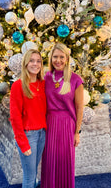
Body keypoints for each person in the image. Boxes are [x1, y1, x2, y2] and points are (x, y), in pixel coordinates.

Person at [41, 43, 84, 188]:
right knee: (49, 160)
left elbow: (79, 108)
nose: (58, 60)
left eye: (61, 57)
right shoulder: (45, 77)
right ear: (50, 58)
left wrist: (77, 132)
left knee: (65, 161)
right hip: (49, 124)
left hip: (67, 125)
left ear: (67, 59)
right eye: (55, 57)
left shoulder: (75, 79)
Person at [10, 49, 47, 188]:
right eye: (31, 60)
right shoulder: (18, 85)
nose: (35, 64)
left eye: (38, 61)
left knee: (34, 171)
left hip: (42, 133)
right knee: (30, 177)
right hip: (28, 135)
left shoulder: (43, 84)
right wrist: (22, 142)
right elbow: (15, 117)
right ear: (25, 63)